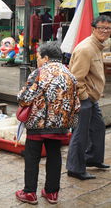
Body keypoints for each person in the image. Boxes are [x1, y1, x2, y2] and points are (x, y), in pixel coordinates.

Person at [15, 42, 80, 205]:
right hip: (60, 126)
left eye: (38, 57)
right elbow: (76, 104)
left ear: (45, 58)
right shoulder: (70, 75)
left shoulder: (39, 73)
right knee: (54, 155)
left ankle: (29, 192)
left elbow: (24, 98)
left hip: (38, 124)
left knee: (32, 156)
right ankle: (52, 193)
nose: (37, 60)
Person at [66, 15, 111, 180]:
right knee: (80, 134)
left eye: (108, 28)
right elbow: (76, 79)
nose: (105, 31)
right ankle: (75, 168)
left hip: (92, 98)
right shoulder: (86, 48)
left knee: (98, 127)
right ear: (94, 29)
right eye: (101, 28)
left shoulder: (98, 45)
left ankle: (92, 158)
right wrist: (84, 98)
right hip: (83, 98)